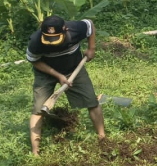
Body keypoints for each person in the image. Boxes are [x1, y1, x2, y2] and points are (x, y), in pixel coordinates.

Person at [26, 16, 105, 155]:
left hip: (73, 69)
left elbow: (90, 24)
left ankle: (102, 138)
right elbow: (35, 61)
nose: (52, 43)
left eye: (55, 38)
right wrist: (58, 75)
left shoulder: (75, 29)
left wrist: (91, 48)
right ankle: (35, 153)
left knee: (92, 102)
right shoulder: (36, 41)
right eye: (48, 39)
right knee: (38, 110)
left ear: (65, 30)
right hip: (45, 73)